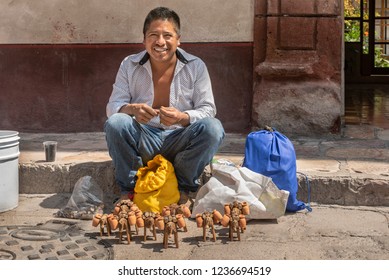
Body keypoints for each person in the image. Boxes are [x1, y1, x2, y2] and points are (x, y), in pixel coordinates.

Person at [104, 7, 225, 204]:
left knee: (213, 128)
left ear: (178, 39)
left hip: (180, 140)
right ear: (144, 40)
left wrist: (183, 117)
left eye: (167, 35)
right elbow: (113, 107)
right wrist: (131, 110)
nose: (160, 42)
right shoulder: (129, 64)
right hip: (144, 137)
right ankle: (129, 190)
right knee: (117, 122)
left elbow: (208, 109)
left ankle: (184, 187)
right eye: (153, 35)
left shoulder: (196, 66)